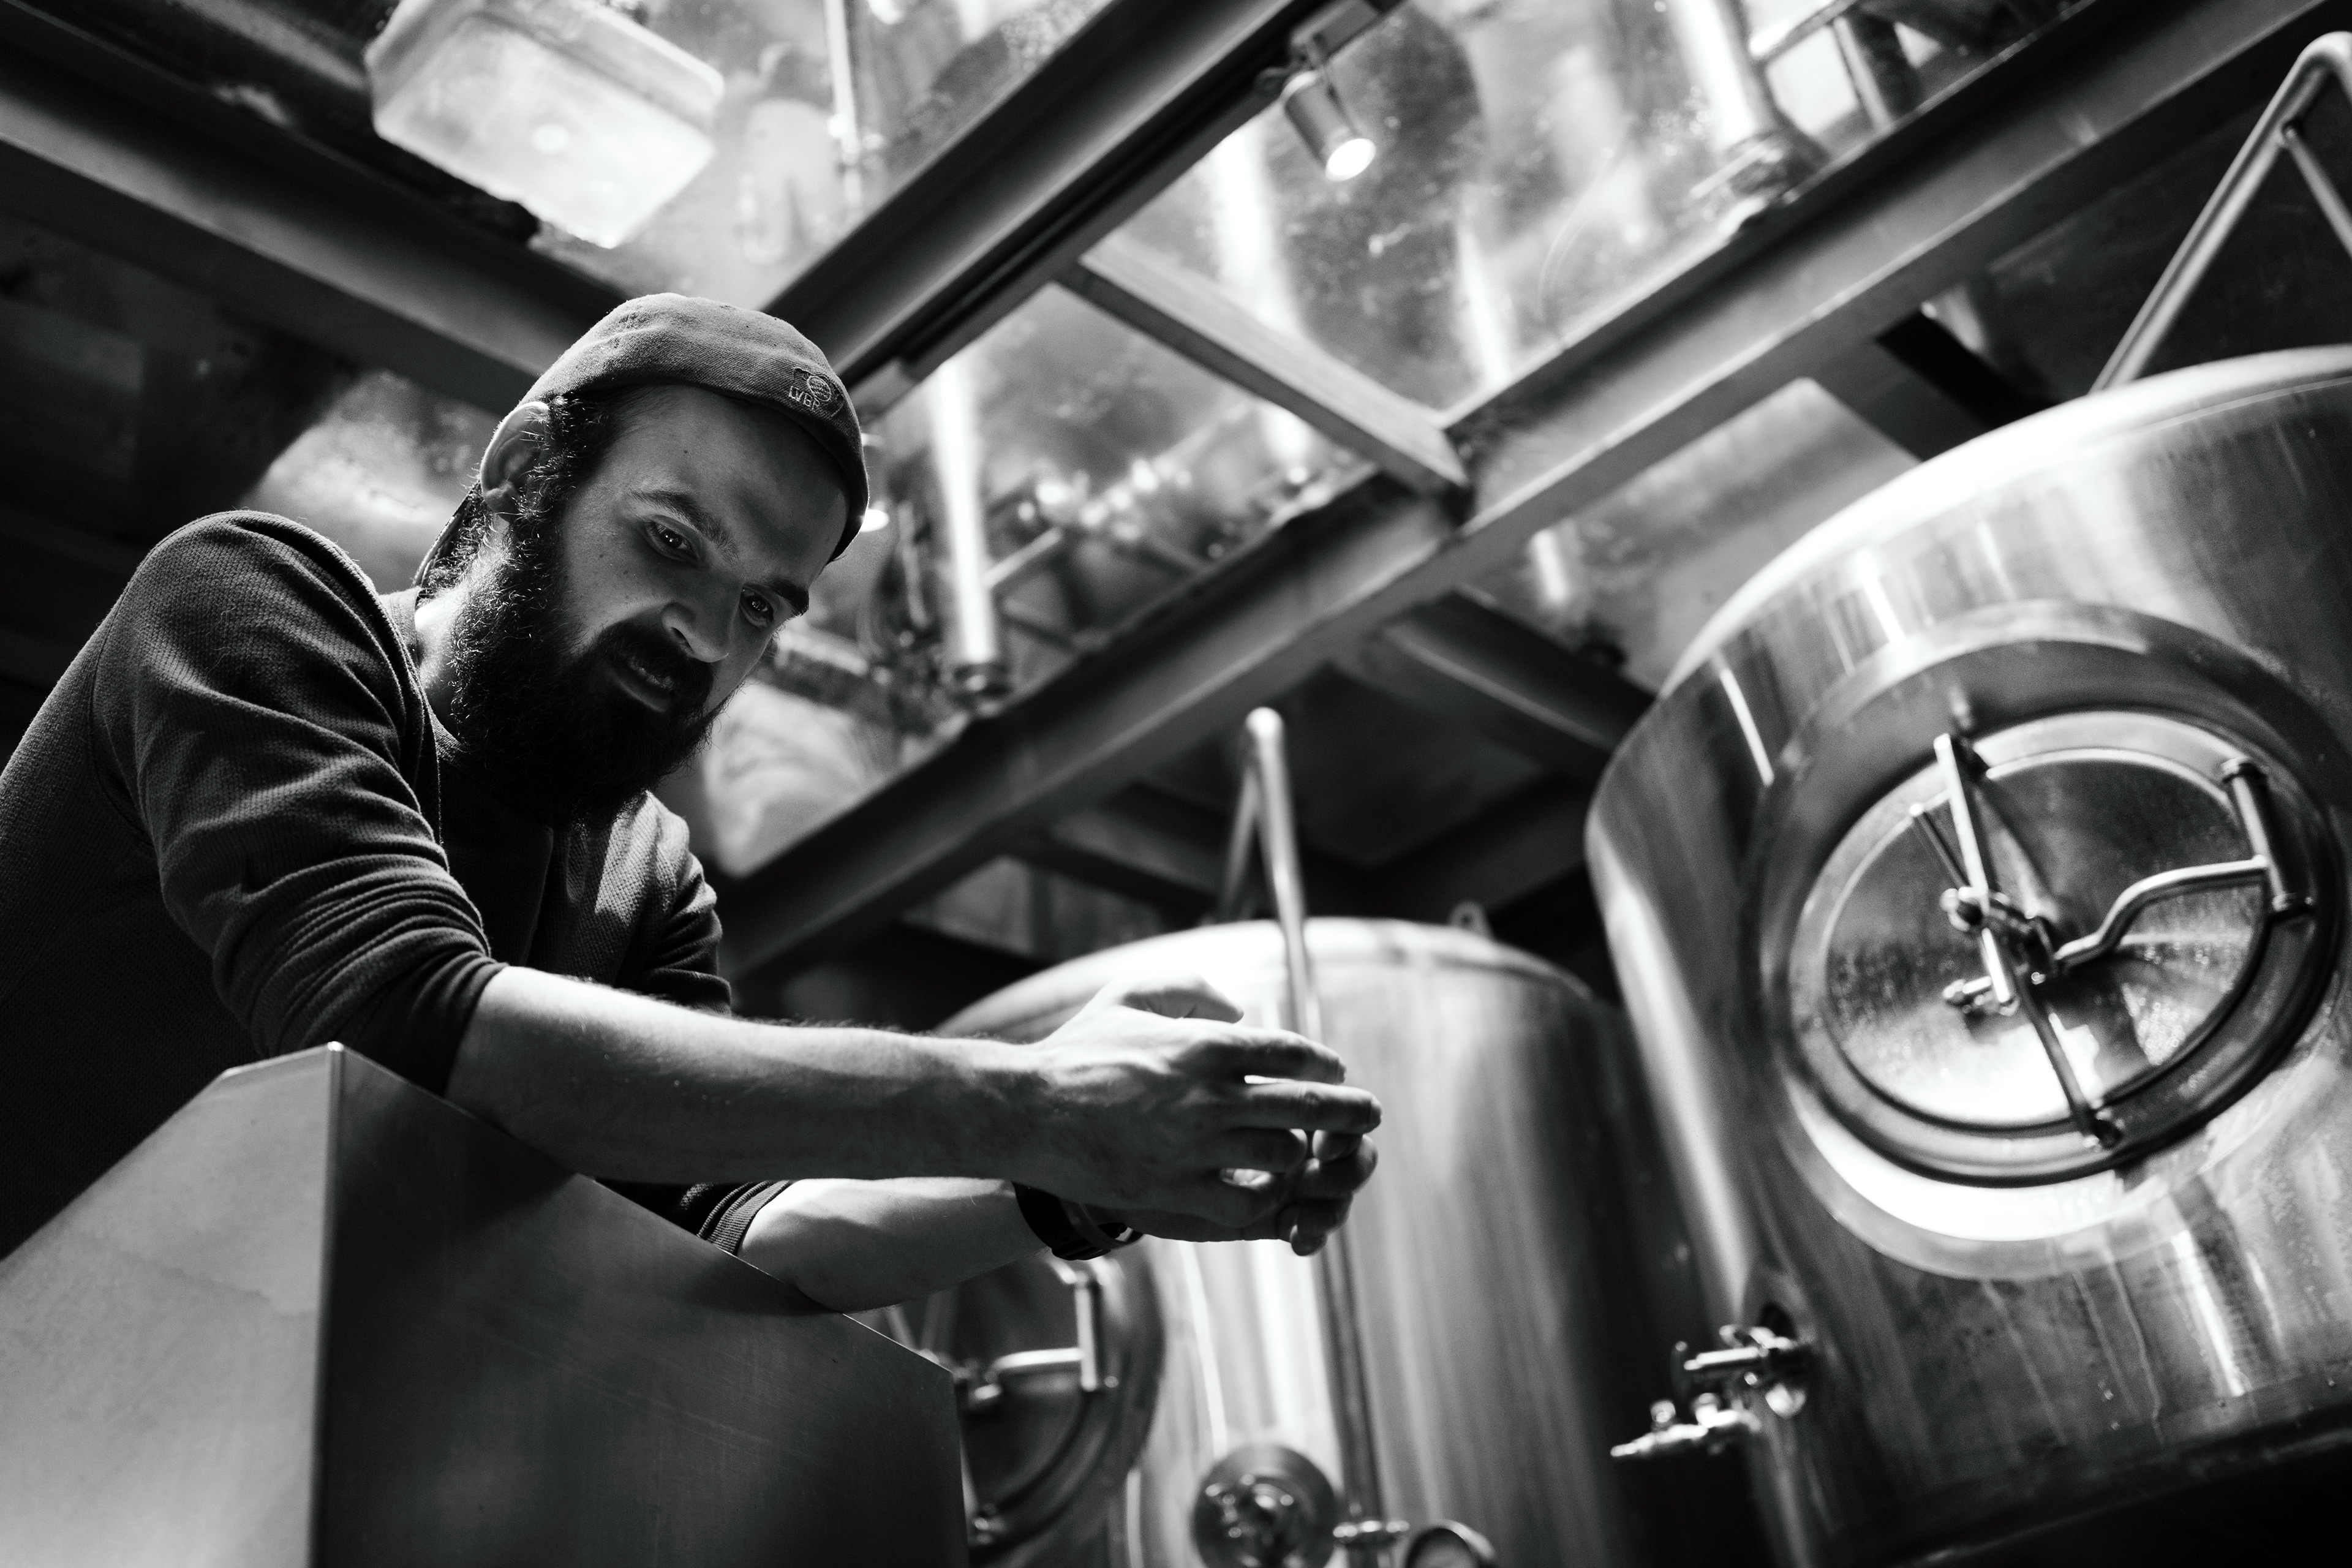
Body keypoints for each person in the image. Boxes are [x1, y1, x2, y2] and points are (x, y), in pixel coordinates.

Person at [0, 295, 1380, 1308]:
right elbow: (396, 1016)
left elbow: (719, 1233)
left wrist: (1062, 1189)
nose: (705, 639)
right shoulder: (252, 606)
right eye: (672, 540)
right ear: (528, 469)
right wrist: (1029, 1100)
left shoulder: (645, 877)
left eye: (761, 606)